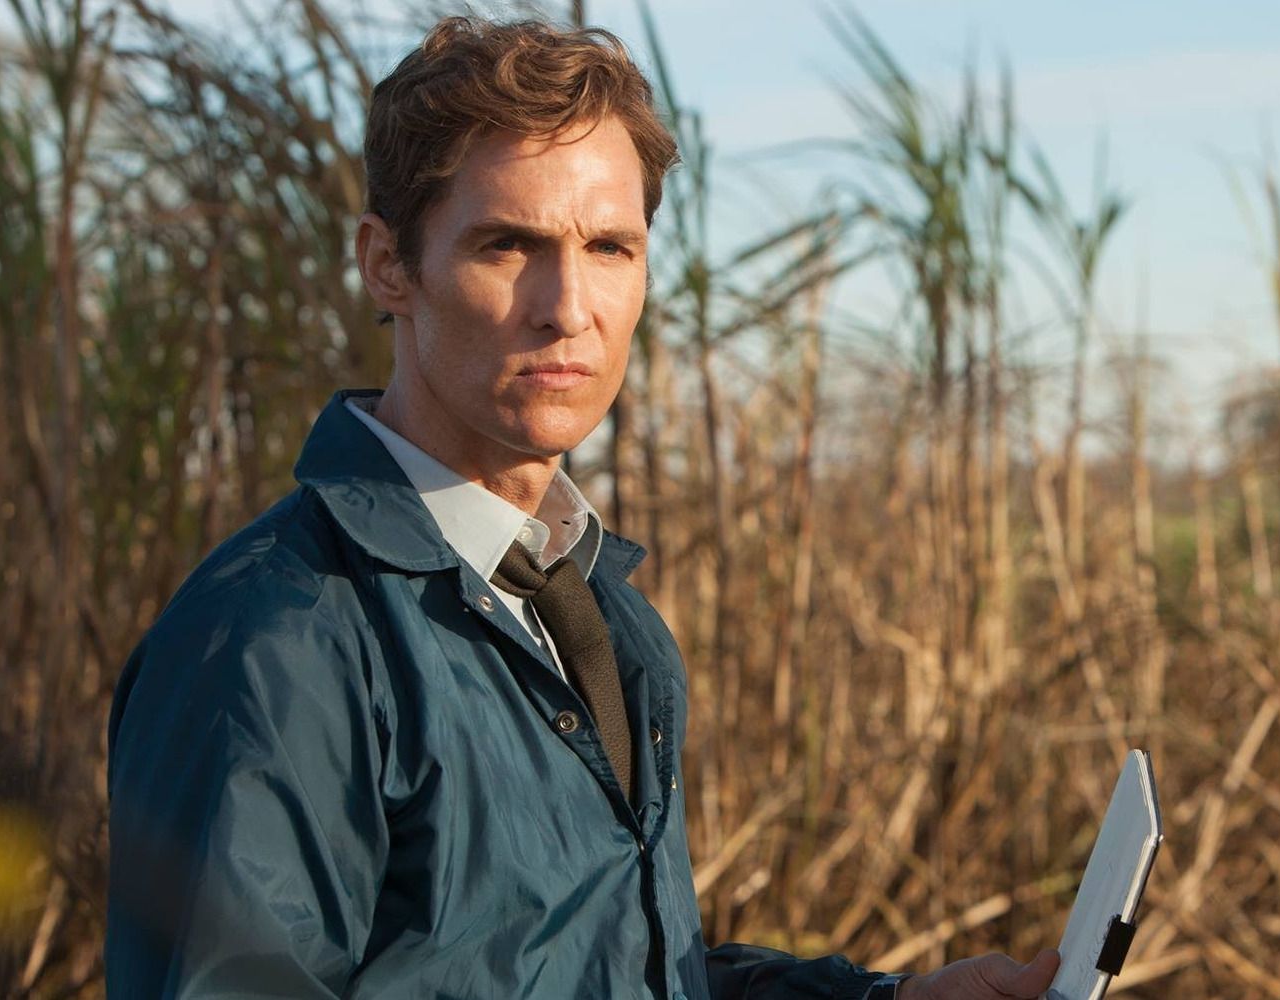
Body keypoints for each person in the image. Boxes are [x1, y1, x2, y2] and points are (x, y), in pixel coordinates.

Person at [105, 17, 1057, 999]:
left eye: (609, 246)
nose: (568, 306)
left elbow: (616, 969)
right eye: (509, 244)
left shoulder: (588, 603)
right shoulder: (274, 642)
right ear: (389, 266)